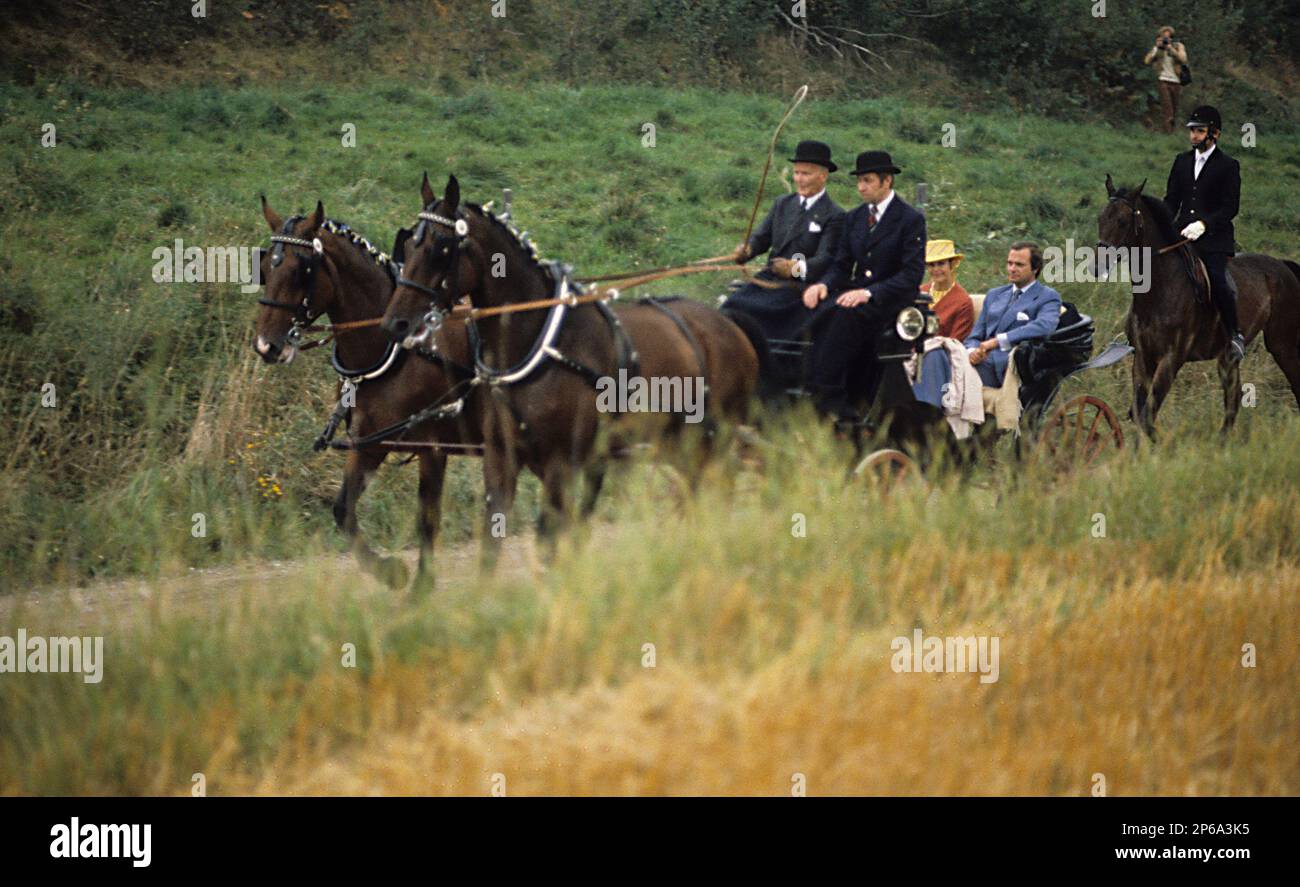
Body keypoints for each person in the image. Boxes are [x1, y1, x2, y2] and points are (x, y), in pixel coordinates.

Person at [802, 150, 926, 421]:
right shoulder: (854, 217)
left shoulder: (909, 219)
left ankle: (831, 394)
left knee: (844, 314)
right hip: (857, 295)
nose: (861, 187)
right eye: (859, 181)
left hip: (890, 300)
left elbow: (911, 275)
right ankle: (806, 384)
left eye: (868, 181)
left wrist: (869, 292)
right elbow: (841, 265)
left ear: (886, 181)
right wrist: (822, 285)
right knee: (819, 308)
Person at [724, 140, 845, 341]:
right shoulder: (782, 204)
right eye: (796, 173)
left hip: (799, 287)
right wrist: (747, 250)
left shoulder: (835, 214)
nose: (799, 179)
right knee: (732, 306)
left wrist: (794, 268)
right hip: (770, 278)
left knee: (760, 315)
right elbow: (762, 238)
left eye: (806, 174)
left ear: (823, 176)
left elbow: (826, 259)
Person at [1163, 104, 1245, 363]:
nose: (1194, 136)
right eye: (1192, 131)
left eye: (1199, 131)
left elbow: (1230, 207)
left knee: (1219, 281)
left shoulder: (1229, 165)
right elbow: (1171, 200)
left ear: (1215, 134)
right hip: (1182, 233)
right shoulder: (1181, 161)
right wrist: (1163, 225)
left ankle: (1234, 336)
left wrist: (1204, 224)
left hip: (1213, 238)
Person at [963, 243, 1061, 428]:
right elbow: (976, 334)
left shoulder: (1047, 296)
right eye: (1009, 263)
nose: (1012, 269)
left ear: (1035, 268)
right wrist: (972, 351)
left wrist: (998, 341)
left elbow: (1044, 325)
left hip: (1012, 367)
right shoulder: (995, 295)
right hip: (980, 362)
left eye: (1019, 264)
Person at [920, 239, 974, 340]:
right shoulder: (920, 292)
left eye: (941, 263)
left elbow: (956, 343)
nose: (936, 269)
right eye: (931, 265)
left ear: (952, 264)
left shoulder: (963, 302)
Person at [1144, 25, 1188, 134]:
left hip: (1176, 81)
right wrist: (1157, 48)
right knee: (1167, 107)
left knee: (1174, 108)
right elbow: (1147, 61)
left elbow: (1183, 59)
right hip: (1163, 80)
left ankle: (1171, 131)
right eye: (1164, 37)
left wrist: (1171, 49)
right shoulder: (1158, 49)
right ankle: (1167, 132)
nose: (1166, 40)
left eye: (1168, 37)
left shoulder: (1178, 46)